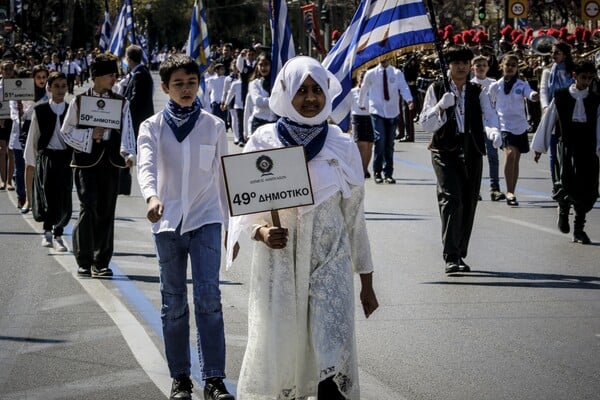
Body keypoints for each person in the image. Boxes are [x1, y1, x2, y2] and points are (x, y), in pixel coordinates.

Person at [227, 56, 379, 400]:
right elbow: (244, 210)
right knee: (283, 353)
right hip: (279, 266)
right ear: (284, 93)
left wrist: (366, 282)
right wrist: (261, 233)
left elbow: (355, 218)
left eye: (316, 90)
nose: (310, 99)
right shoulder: (264, 141)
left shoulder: (341, 145)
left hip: (330, 263)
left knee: (331, 351)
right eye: (301, 91)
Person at [136, 55, 234, 400]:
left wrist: (231, 229)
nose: (186, 89)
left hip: (206, 219)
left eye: (191, 82)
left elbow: (225, 177)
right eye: (178, 84)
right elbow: (146, 165)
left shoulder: (214, 125)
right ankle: (180, 378)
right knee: (173, 303)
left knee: (209, 298)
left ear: (199, 84)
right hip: (166, 223)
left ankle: (214, 380)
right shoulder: (151, 127)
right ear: (165, 88)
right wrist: (151, 197)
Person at [419, 45, 501, 274]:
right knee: (451, 199)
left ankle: (460, 252)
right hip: (445, 150)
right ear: (449, 66)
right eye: (457, 63)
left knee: (468, 202)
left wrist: (494, 131)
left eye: (466, 63)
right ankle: (451, 255)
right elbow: (426, 124)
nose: (462, 68)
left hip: (472, 149)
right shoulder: (437, 88)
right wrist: (440, 107)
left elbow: (489, 115)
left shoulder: (477, 90)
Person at [60, 54, 136, 278]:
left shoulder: (121, 102)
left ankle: (101, 261)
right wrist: (89, 136)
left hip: (111, 163)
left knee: (106, 210)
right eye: (111, 75)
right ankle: (84, 259)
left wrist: (128, 154)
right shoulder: (80, 101)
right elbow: (66, 131)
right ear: (98, 76)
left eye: (115, 75)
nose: (114, 78)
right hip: (86, 163)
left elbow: (127, 131)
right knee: (88, 206)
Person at [532, 60, 599, 244]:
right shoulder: (561, 97)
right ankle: (563, 207)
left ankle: (579, 228)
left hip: (589, 147)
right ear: (574, 76)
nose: (587, 81)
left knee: (589, 189)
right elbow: (548, 121)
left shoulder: (595, 100)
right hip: (567, 146)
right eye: (583, 77)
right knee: (567, 183)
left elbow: (599, 127)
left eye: (590, 78)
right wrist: (539, 147)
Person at [23, 71, 72, 251]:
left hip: (65, 159)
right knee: (48, 195)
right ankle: (48, 232)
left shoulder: (71, 110)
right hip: (47, 158)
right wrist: (31, 161)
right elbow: (33, 137)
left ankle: (59, 234)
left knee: (63, 196)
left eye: (63, 86)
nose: (60, 90)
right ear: (49, 88)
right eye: (56, 86)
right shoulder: (40, 110)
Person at [488, 52, 539, 206]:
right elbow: (487, 102)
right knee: (510, 153)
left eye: (513, 65)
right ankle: (509, 192)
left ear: (517, 68)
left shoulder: (522, 85)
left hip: (520, 126)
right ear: (501, 66)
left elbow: (530, 94)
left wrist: (535, 95)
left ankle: (512, 190)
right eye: (507, 65)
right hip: (504, 125)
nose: (510, 68)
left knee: (516, 159)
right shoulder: (495, 86)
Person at [359, 57, 413, 184]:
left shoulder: (396, 73)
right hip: (377, 111)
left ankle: (388, 173)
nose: (384, 60)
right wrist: (362, 103)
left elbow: (403, 87)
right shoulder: (371, 73)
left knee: (389, 144)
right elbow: (364, 88)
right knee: (380, 140)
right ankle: (377, 171)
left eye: (386, 57)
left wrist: (409, 100)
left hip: (392, 111)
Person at [539, 42, 574, 198]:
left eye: (557, 53)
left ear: (565, 55)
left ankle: (568, 183)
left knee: (568, 151)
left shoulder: (572, 71)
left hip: (569, 115)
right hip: (553, 113)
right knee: (553, 152)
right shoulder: (548, 71)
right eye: (552, 53)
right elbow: (543, 91)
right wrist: (546, 107)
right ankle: (556, 184)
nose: (553, 56)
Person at [119, 44, 155, 195]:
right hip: (135, 118)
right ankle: (123, 185)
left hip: (135, 119)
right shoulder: (138, 73)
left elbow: (135, 99)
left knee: (128, 150)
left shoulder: (140, 74)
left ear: (129, 58)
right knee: (128, 151)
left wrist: (124, 111)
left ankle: (124, 185)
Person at [470, 54, 506, 201]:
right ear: (473, 68)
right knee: (475, 158)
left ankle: (494, 188)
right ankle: (474, 189)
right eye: (478, 65)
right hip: (476, 126)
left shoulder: (494, 83)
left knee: (493, 157)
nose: (481, 68)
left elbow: (500, 103)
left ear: (488, 68)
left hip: (492, 124)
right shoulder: (470, 84)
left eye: (484, 65)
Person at [351, 70, 375, 178]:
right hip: (358, 118)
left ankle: (365, 168)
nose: (363, 80)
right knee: (362, 145)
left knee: (369, 145)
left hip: (370, 118)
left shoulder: (371, 91)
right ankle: (360, 169)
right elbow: (347, 107)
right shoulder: (353, 92)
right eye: (361, 77)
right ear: (358, 79)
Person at [245, 52, 276, 135]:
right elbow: (258, 102)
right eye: (260, 65)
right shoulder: (254, 83)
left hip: (274, 123)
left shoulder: (277, 83)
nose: (263, 67)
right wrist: (276, 99)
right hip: (259, 123)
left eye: (266, 64)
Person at [0, 60, 15, 191]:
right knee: (1, 149)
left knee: (11, 150)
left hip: (13, 120)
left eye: (10, 69)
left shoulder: (17, 86)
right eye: (6, 69)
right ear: (1, 71)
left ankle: (10, 180)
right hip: (0, 119)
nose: (8, 71)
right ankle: (2, 179)